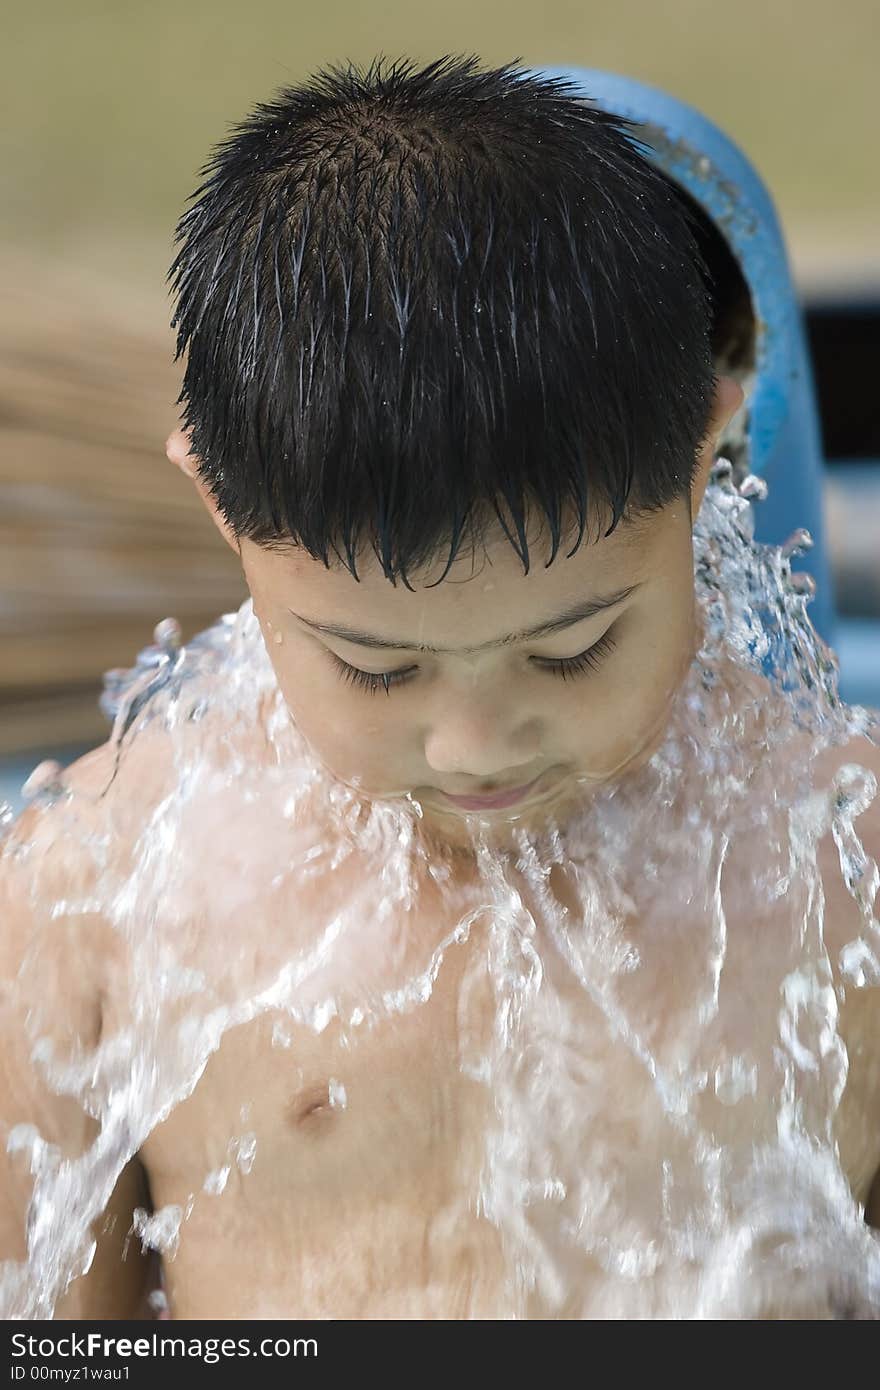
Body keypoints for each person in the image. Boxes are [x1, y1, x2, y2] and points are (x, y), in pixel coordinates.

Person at [2, 54, 878, 1321]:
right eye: (375, 665)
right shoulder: (101, 894)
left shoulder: (842, 863)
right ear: (219, 504)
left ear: (706, 457)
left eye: (571, 649)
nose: (475, 743)